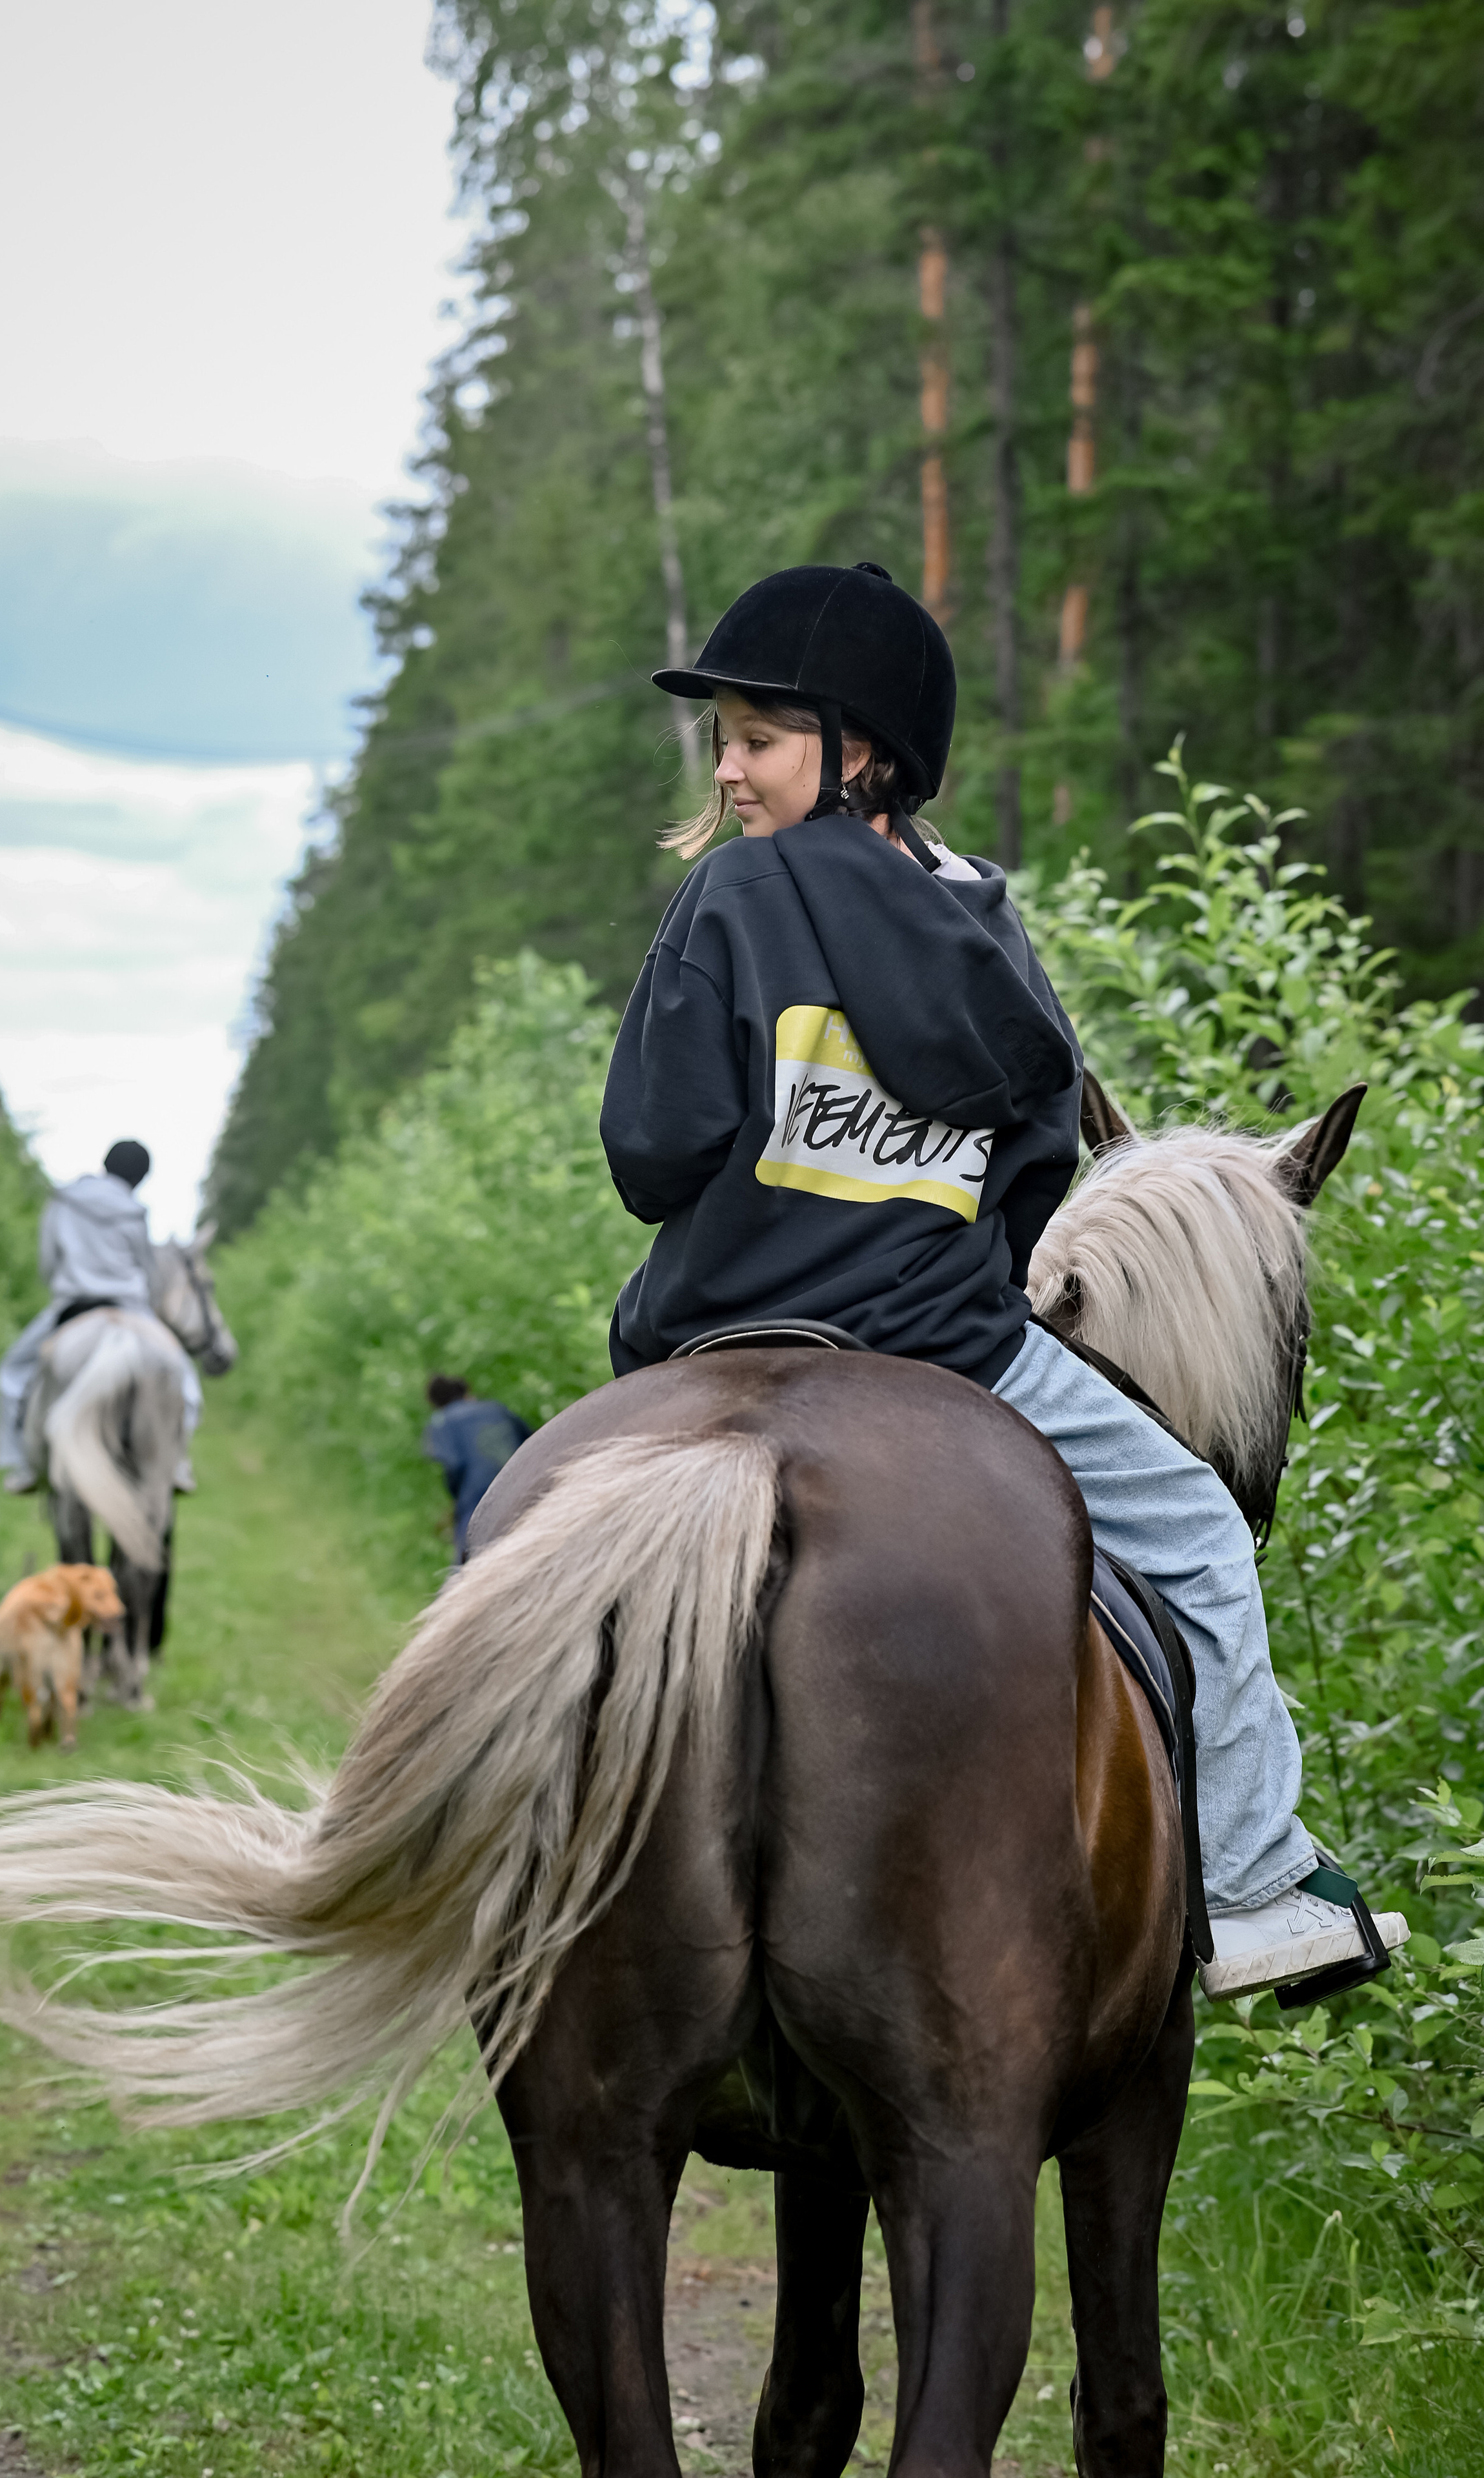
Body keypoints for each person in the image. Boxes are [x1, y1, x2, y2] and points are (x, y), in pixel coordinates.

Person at [599, 558, 1405, 2004]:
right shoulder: (985, 919)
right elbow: (1036, 1165)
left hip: (716, 1348)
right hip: (948, 1350)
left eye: (755, 738)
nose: (726, 772)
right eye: (722, 739)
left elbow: (653, 1155)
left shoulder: (727, 903)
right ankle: (1257, 1884)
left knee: (536, 1550)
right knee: (1204, 1548)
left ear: (859, 751)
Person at [0, 1140, 203, 1495]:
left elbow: (48, 1263)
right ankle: (177, 1462)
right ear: (140, 1178)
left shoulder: (63, 1201)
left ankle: (23, 1464)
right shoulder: (134, 1210)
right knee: (185, 1382)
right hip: (130, 1307)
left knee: (12, 1374)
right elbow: (147, 1271)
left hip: (73, 1304)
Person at [421, 1376, 530, 1562]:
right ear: (466, 1393)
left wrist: (457, 1501)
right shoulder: (496, 1408)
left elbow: (454, 1465)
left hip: (478, 1497)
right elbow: (531, 1440)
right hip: (523, 1484)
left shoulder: (441, 1422)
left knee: (463, 1569)